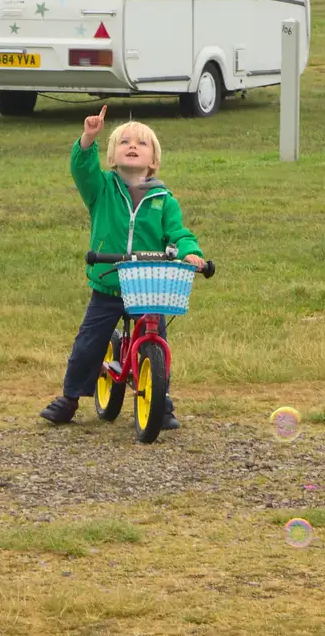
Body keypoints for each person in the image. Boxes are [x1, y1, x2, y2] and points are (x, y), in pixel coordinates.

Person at [40, 106, 205, 427]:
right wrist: (88, 139)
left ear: (153, 160)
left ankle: (162, 399)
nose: (133, 146)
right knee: (89, 342)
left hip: (148, 285)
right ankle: (70, 397)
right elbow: (81, 169)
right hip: (107, 281)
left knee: (156, 342)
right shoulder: (101, 188)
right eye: (124, 142)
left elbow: (178, 233)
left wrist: (190, 253)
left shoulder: (163, 199)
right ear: (112, 156)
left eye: (142, 144)